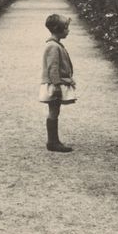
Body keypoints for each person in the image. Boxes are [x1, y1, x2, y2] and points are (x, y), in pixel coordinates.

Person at [39, 13, 76, 153]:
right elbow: (52, 68)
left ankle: (54, 140)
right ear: (57, 28)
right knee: (54, 111)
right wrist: (56, 86)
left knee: (55, 110)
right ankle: (52, 142)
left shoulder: (56, 45)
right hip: (54, 84)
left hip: (56, 83)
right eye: (66, 27)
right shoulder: (53, 46)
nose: (68, 30)